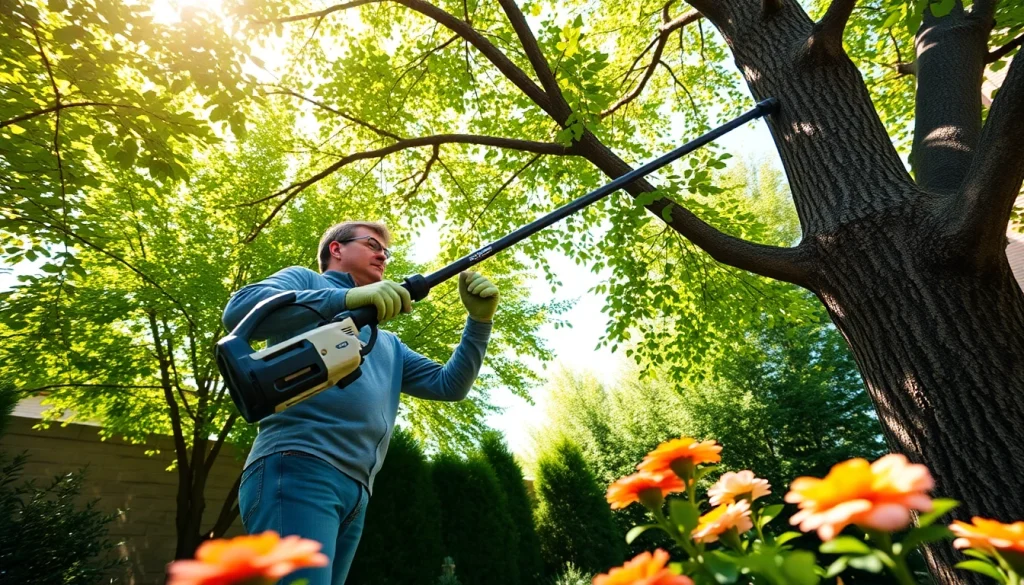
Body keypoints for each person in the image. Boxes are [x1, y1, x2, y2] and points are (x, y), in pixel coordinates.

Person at [221, 221, 499, 585]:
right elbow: (240, 310)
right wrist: (345, 299)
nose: (382, 254)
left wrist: (479, 322)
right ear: (336, 249)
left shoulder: (387, 344)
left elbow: (450, 384)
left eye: (386, 250)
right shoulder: (307, 283)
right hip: (298, 468)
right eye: (372, 244)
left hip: (357, 492)